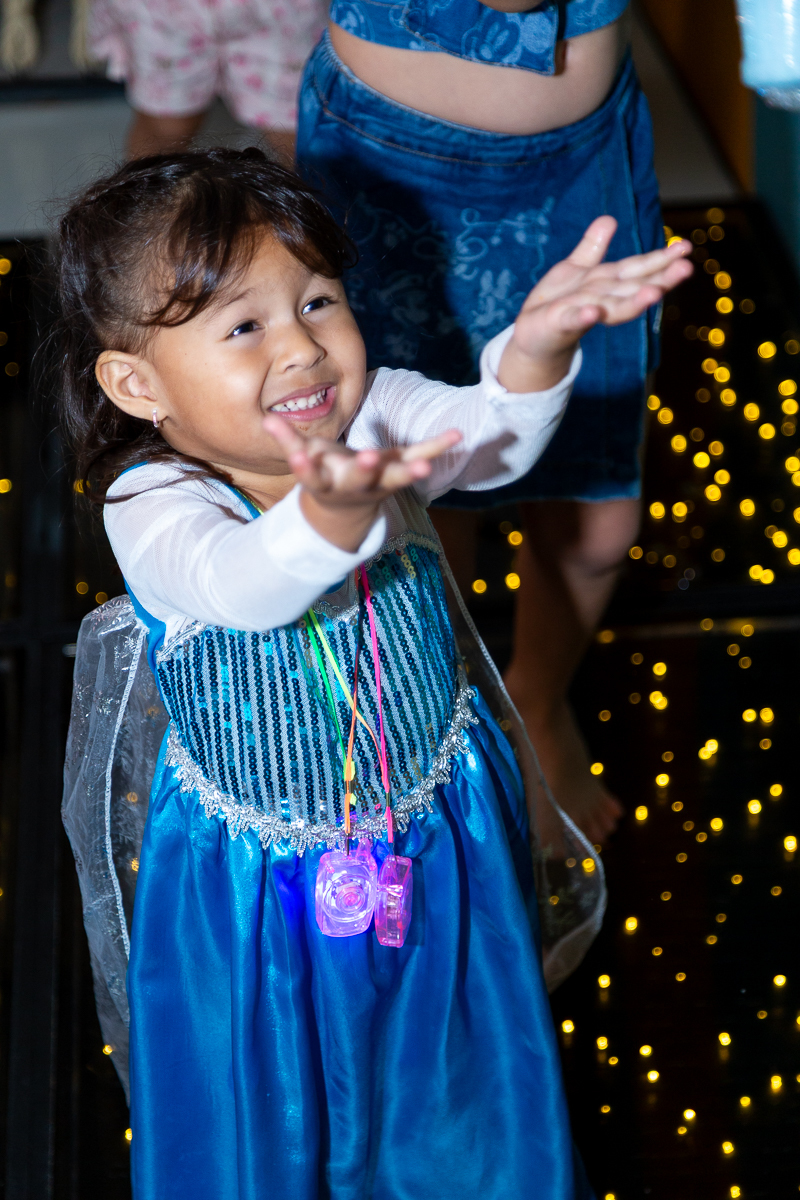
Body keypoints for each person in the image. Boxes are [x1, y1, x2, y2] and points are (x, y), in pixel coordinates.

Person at [57, 148, 689, 1197]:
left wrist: (529, 354)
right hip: (254, 886)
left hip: (433, 827)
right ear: (138, 385)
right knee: (273, 1095)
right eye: (244, 326)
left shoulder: (369, 416)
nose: (303, 349)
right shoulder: (153, 502)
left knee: (448, 1071)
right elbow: (246, 581)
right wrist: (333, 513)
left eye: (317, 300)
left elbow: (487, 443)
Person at [295, 0, 662, 846]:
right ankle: (447, 727)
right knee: (415, 497)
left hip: (582, 162)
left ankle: (537, 695)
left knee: (598, 519)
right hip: (390, 165)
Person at [88, 0, 328, 159]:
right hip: (163, 13)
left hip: (281, 12)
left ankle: (320, 223)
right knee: (164, 127)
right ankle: (141, 217)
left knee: (300, 133)